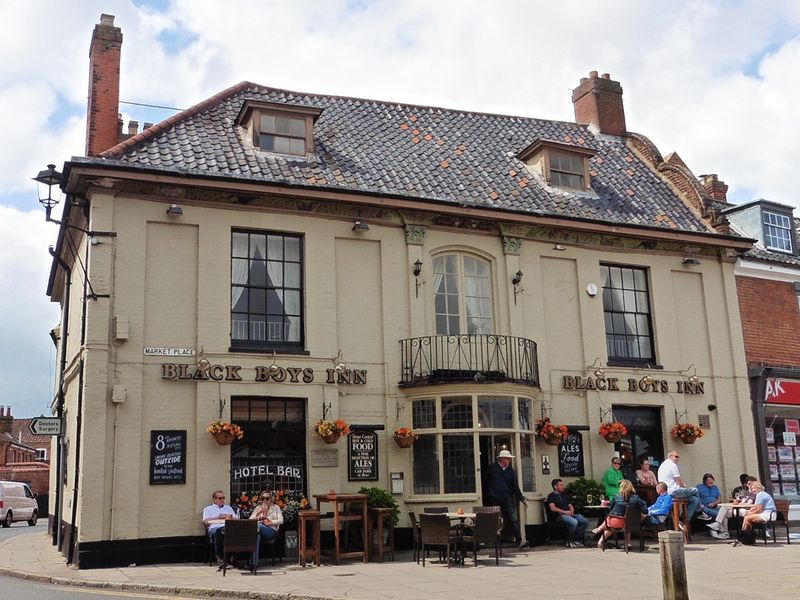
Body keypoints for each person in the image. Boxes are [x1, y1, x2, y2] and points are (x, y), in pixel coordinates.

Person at [484, 449, 527, 548]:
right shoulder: (492, 468)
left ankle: (518, 540)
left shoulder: (510, 470)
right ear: (502, 459)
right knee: (494, 519)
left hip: (507, 497)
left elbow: (514, 485)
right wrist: (486, 495)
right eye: (507, 458)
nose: (509, 460)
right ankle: (493, 541)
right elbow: (485, 482)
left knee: (513, 519)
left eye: (509, 459)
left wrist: (520, 497)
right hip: (494, 497)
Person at [591, 479, 647, 550]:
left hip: (615, 522)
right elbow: (645, 511)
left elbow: (610, 508)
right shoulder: (636, 498)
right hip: (630, 523)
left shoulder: (616, 497)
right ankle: (627, 543)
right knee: (629, 519)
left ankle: (600, 538)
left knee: (611, 523)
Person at [657, 450, 705, 524]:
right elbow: (678, 480)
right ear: (670, 456)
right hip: (673, 492)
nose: (678, 459)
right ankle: (699, 512)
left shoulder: (662, 465)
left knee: (695, 499)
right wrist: (684, 485)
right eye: (676, 457)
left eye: (678, 457)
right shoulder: (672, 465)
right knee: (695, 490)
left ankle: (684, 519)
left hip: (666, 492)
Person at [546, 478, 590, 548]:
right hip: (559, 516)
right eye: (561, 485)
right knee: (574, 522)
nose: (563, 486)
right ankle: (569, 540)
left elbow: (570, 505)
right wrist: (565, 512)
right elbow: (552, 508)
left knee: (585, 521)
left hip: (569, 514)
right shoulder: (551, 496)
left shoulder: (564, 495)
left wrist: (572, 511)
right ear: (555, 486)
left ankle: (577, 539)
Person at [734, 480, 777, 546]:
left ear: (759, 488)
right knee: (747, 518)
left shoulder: (760, 495)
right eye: (752, 488)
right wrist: (749, 512)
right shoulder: (760, 494)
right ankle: (747, 539)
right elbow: (755, 507)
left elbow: (758, 509)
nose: (753, 489)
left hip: (769, 514)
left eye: (755, 488)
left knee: (747, 518)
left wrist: (749, 513)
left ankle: (743, 538)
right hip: (767, 513)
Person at [202, 490, 237, 566]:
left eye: (223, 498)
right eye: (220, 498)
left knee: (235, 532)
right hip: (215, 527)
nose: (222, 500)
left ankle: (233, 556)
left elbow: (236, 519)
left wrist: (230, 518)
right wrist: (218, 517)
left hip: (228, 527)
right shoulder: (208, 509)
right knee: (219, 531)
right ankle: (219, 557)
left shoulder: (228, 508)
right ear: (214, 499)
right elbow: (205, 521)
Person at [250, 490, 283, 567]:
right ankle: (253, 564)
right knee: (256, 536)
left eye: (267, 498)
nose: (264, 500)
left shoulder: (275, 508)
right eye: (262, 498)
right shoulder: (258, 508)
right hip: (258, 530)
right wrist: (258, 513)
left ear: (271, 499)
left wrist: (270, 522)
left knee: (258, 527)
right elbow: (250, 520)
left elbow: (281, 520)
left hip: (271, 530)